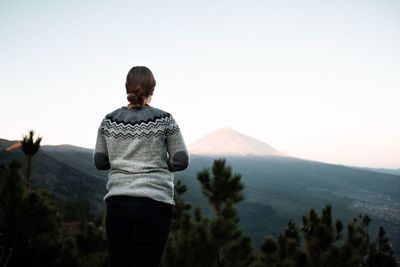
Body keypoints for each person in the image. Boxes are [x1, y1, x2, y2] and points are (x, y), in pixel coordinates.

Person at [94, 66, 189, 267]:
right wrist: (160, 165)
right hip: (155, 203)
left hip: (117, 203)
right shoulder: (164, 119)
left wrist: (122, 159)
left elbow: (100, 161)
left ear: (126, 88)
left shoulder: (108, 121)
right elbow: (181, 160)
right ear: (152, 90)